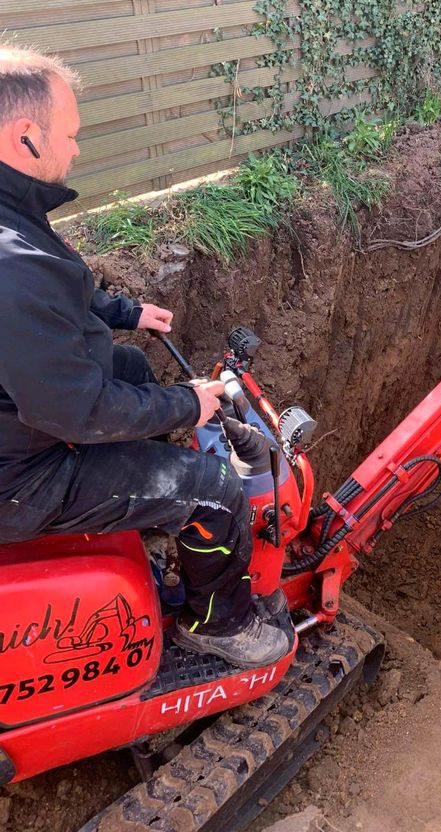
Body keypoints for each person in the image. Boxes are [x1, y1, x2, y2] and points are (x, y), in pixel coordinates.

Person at [0, 43, 290, 668]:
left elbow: (49, 305)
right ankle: (219, 625)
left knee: (129, 367)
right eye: (70, 136)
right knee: (214, 490)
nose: (76, 150)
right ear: (25, 137)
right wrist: (188, 404)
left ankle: (156, 515)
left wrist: (126, 314)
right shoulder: (11, 262)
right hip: (18, 482)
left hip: (17, 425)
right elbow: (77, 411)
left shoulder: (13, 226)